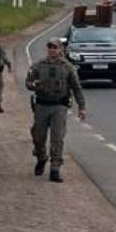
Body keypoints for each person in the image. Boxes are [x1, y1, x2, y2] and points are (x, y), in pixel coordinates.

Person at [25, 38, 86, 183]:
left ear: (60, 49)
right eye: (50, 47)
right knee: (38, 136)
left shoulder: (68, 67)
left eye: (54, 47)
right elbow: (28, 82)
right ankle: (41, 158)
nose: (52, 49)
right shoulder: (38, 65)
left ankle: (55, 169)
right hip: (41, 106)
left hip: (59, 106)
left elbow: (77, 88)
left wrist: (82, 107)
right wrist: (35, 85)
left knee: (57, 138)